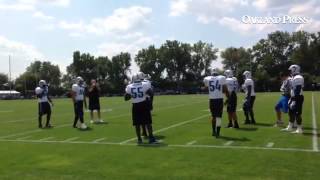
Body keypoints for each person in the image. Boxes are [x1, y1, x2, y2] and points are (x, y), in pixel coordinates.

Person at [124, 73, 157, 144]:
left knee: (137, 124)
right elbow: (151, 93)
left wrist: (132, 94)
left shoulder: (129, 86)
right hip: (144, 104)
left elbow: (126, 98)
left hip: (135, 106)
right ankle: (151, 138)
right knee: (148, 122)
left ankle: (139, 139)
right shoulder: (145, 84)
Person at [203, 68, 228, 138]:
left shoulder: (207, 78)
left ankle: (213, 131)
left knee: (213, 116)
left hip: (212, 100)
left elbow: (206, 88)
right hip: (219, 100)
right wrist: (228, 98)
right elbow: (225, 89)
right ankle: (218, 132)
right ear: (217, 73)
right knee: (219, 117)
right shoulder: (222, 78)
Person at [282, 65, 304, 134]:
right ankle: (290, 127)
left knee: (297, 113)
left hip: (297, 97)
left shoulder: (298, 77)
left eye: (291, 70)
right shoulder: (293, 77)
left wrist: (294, 100)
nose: (290, 71)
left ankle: (299, 129)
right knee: (290, 112)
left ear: (294, 69)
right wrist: (291, 98)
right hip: (293, 97)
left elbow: (298, 89)